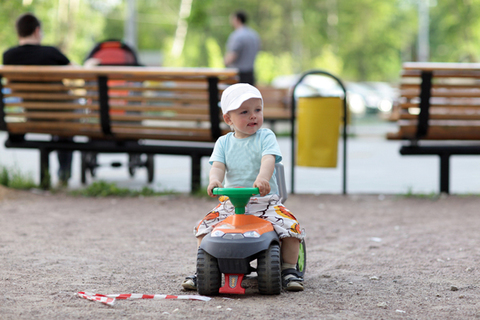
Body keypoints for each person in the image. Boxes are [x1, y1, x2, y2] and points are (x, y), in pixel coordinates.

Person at [182, 83, 304, 292]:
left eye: (257, 110)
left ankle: (289, 269)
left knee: (291, 228)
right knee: (203, 228)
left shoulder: (265, 136)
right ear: (229, 119)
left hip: (263, 202)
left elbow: (268, 159)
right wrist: (215, 181)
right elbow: (218, 166)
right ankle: (201, 269)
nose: (253, 116)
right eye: (244, 112)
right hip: (231, 203)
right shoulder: (223, 143)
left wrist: (262, 179)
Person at [3, 13, 73, 186]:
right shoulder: (51, 53)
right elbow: (77, 73)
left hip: (32, 116)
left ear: (19, 33)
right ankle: (63, 174)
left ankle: (46, 177)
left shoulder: (8, 56)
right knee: (67, 122)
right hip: (60, 119)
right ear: (37, 31)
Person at [224, 11, 261, 85]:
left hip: (237, 76)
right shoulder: (254, 35)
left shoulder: (237, 35)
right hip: (250, 74)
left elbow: (232, 56)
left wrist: (225, 62)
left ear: (237, 19)